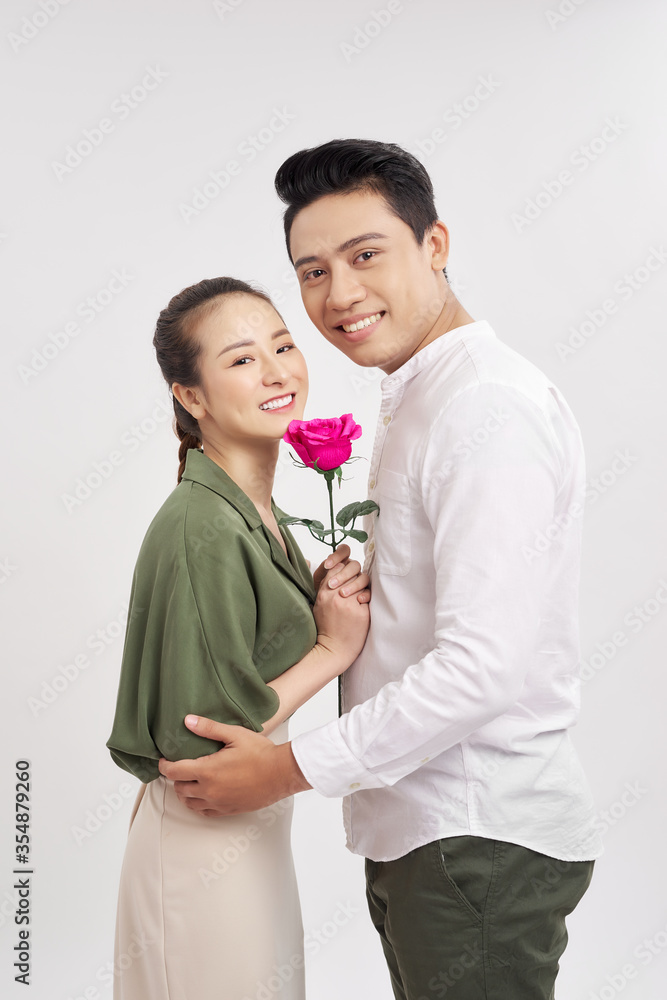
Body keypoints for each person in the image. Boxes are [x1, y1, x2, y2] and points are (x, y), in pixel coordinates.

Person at [159, 142, 604, 999]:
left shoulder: (483, 407)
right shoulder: (425, 394)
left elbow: (483, 667)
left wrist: (286, 768)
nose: (340, 294)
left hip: (474, 837)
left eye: (366, 255)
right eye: (313, 270)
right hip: (433, 836)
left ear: (434, 244)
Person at [106, 275, 370, 1000]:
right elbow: (200, 743)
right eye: (241, 358)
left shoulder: (250, 509)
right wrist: (331, 648)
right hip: (201, 843)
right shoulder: (203, 524)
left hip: (244, 839)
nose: (278, 369)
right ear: (189, 396)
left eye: (282, 345)